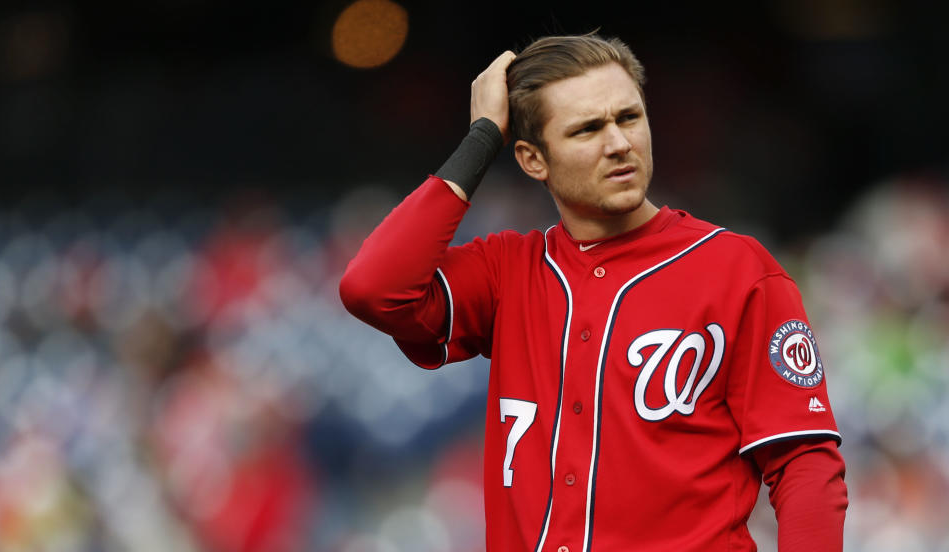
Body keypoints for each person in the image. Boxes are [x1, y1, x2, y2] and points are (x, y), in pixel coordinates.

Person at [340, 33, 847, 551]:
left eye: (629, 117)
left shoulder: (737, 268)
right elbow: (373, 289)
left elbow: (803, 461)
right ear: (533, 160)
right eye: (587, 129)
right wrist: (482, 138)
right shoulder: (507, 270)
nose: (619, 143)